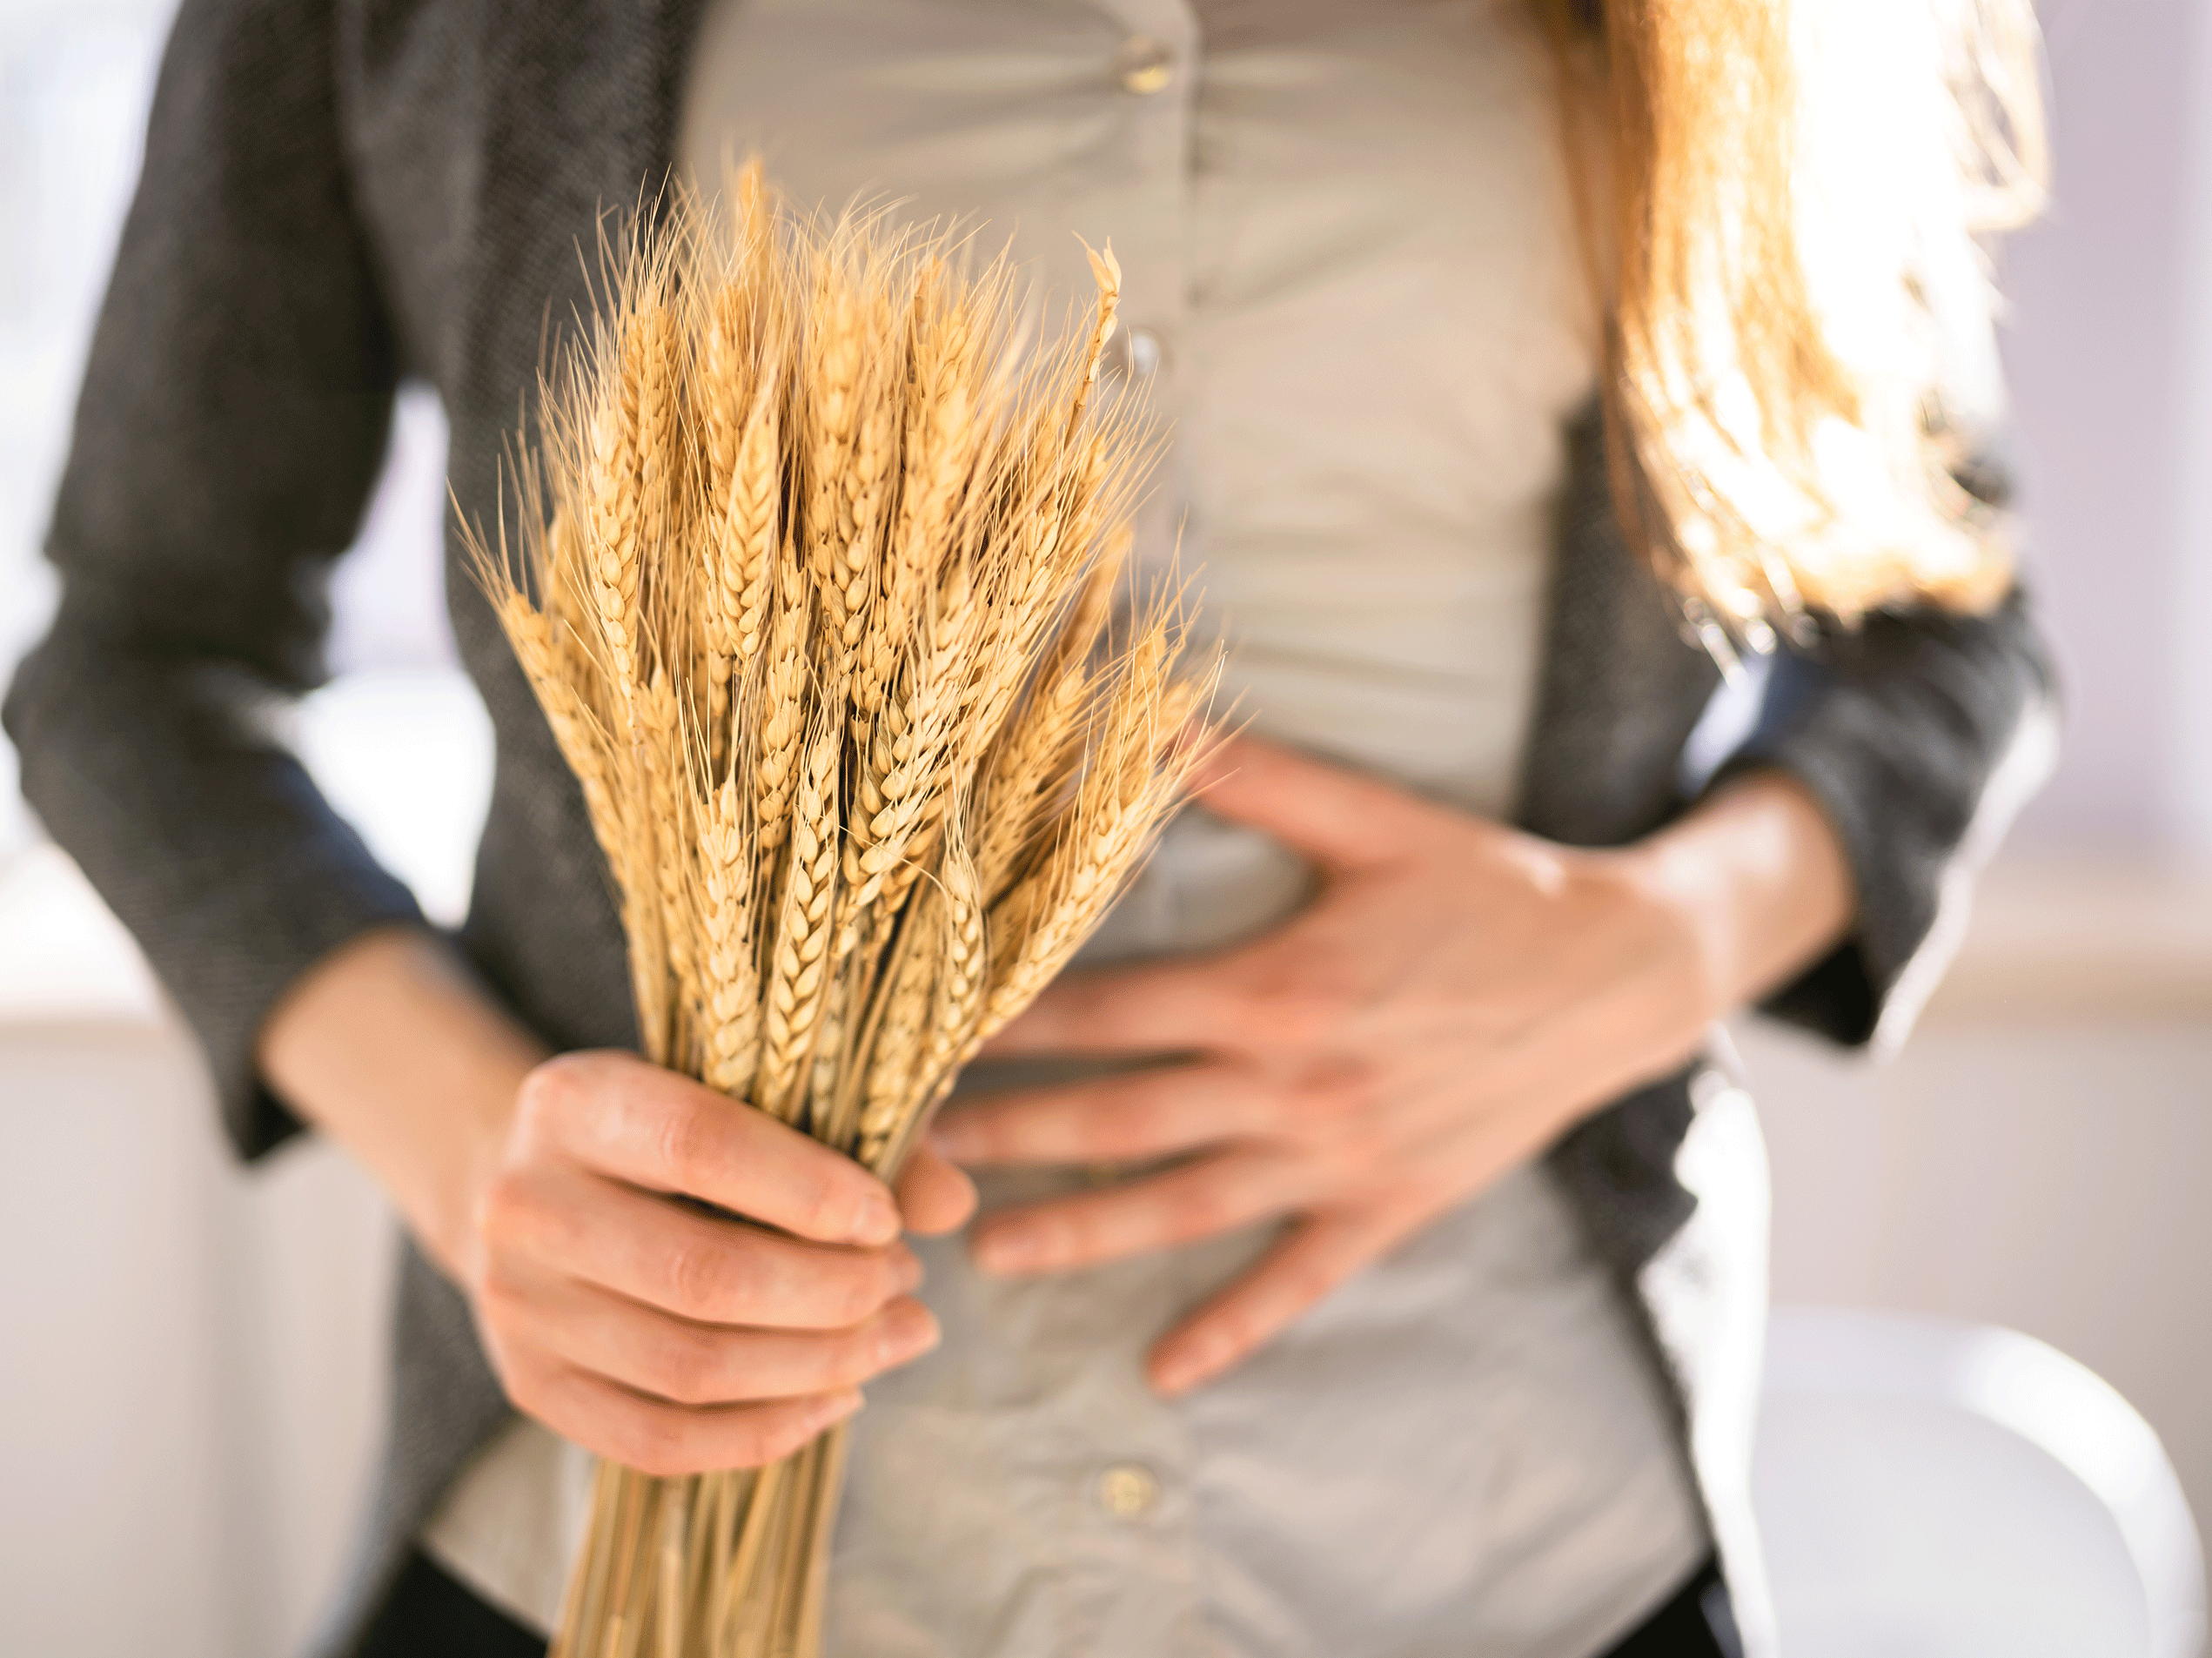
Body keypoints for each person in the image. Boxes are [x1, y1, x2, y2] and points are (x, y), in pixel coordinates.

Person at [3, 2, 2055, 1655]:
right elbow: (140, 661)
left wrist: (1663, 936)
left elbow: (1948, 624)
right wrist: (489, 1172)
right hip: (638, 1565)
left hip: (1505, 1542)